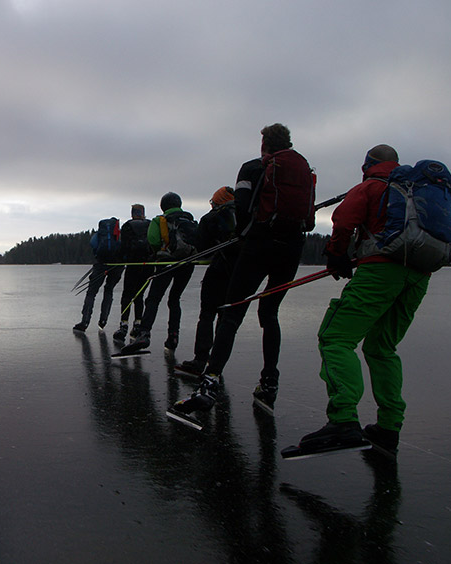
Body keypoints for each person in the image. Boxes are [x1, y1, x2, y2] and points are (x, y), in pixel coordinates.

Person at [296, 145, 451, 456]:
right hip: (418, 276)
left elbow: (344, 220)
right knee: (381, 347)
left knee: (335, 339)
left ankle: (344, 419)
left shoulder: (371, 187)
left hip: (380, 271)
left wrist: (337, 256)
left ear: (368, 165)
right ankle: (388, 426)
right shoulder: (420, 191)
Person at [175, 124, 314, 414]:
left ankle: (210, 381)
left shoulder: (252, 167)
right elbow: (310, 220)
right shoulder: (303, 167)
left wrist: (242, 234)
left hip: (259, 245)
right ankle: (269, 383)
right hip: (291, 248)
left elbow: (242, 207)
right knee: (269, 313)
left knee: (232, 311)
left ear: (264, 143)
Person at [119, 192, 196, 353]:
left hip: (165, 263)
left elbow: (153, 241)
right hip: (187, 264)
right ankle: (173, 336)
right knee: (175, 299)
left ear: (163, 206)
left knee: (153, 298)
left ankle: (144, 334)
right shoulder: (188, 219)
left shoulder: (159, 221)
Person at [175, 186, 240, 376]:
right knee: (227, 318)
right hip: (240, 273)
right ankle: (216, 364)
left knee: (207, 315)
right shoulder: (246, 214)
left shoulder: (211, 218)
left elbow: (202, 246)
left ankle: (200, 360)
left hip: (219, 270)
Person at [73, 218, 124, 332]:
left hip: (101, 264)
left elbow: (93, 243)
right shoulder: (118, 235)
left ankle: (85, 321)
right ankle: (103, 320)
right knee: (109, 290)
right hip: (117, 266)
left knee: (91, 293)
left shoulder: (100, 235)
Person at [113, 204, 154, 342]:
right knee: (139, 295)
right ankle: (137, 324)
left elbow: (123, 246)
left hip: (133, 265)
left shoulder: (128, 226)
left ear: (132, 213)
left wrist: (120, 260)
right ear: (143, 213)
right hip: (148, 265)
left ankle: (123, 325)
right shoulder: (150, 224)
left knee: (127, 295)